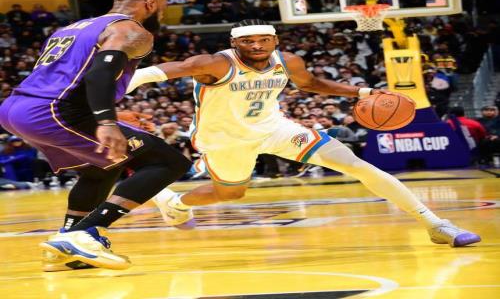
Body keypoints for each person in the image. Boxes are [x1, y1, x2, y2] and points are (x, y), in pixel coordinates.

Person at [127, 19, 480, 247]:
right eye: (248, 41)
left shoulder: (288, 61)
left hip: (275, 128)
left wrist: (362, 92)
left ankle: (435, 224)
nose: (257, 46)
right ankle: (174, 203)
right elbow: (158, 72)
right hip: (226, 139)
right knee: (230, 193)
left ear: (274, 40)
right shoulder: (215, 63)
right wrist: (113, 87)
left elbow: (311, 83)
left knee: (357, 165)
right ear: (235, 43)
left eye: (264, 40)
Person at [0, 0, 191, 271]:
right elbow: (99, 74)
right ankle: (83, 235)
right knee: (168, 162)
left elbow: (59, 78)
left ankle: (66, 249)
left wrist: (113, 114)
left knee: (103, 165)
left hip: (17, 107)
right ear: (150, 5)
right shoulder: (132, 30)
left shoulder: (70, 28)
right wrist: (106, 121)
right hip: (52, 111)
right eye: (162, 9)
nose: (161, 15)